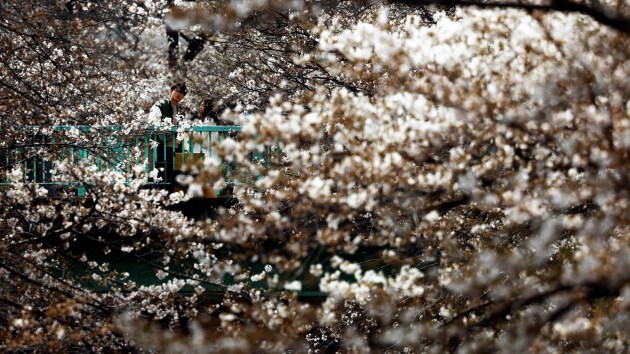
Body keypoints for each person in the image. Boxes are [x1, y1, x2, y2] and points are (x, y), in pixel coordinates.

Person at [148, 83, 188, 185]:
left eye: (182, 93)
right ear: (171, 91)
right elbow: (153, 122)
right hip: (161, 144)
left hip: (176, 145)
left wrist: (179, 139)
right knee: (161, 172)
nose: (179, 94)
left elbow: (183, 127)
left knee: (174, 175)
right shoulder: (160, 105)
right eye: (177, 91)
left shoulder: (182, 110)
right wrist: (167, 132)